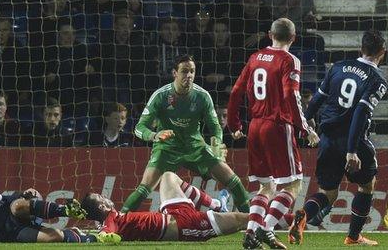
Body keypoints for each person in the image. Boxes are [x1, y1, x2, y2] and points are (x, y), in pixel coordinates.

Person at [289, 30, 388, 246]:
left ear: (360, 49)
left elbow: (316, 100)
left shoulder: (339, 66)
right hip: (353, 141)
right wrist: (352, 150)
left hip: (328, 139)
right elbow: (360, 114)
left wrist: (304, 125)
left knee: (328, 193)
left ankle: (303, 215)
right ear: (383, 52)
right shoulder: (377, 79)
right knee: (367, 184)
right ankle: (353, 236)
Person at [227, 18, 319, 249]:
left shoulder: (255, 57)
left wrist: (234, 124)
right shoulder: (290, 60)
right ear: (293, 38)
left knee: (265, 187)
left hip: (255, 127)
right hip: (277, 127)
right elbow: (291, 96)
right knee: (293, 185)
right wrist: (305, 128)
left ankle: (250, 233)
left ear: (270, 35)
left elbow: (236, 91)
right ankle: (264, 228)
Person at [121, 54, 251, 214]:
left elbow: (215, 127)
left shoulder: (202, 96)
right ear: (175, 73)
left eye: (192, 71)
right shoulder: (161, 96)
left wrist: (216, 143)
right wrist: (155, 135)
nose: (189, 75)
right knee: (144, 189)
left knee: (234, 181)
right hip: (167, 148)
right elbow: (139, 128)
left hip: (195, 147)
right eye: (184, 71)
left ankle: (253, 223)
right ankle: (118, 220)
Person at [0, 155, 108, 244]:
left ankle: (65, 210)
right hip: (6, 232)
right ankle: (81, 236)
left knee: (17, 205)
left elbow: (4, 199)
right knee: (54, 237)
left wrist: (22, 194)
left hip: (13, 213)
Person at [81, 171, 248, 241]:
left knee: (168, 176)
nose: (104, 197)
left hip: (173, 212)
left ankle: (217, 204)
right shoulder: (110, 219)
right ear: (102, 207)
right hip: (186, 225)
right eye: (101, 197)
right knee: (246, 219)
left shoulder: (115, 217)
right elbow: (106, 232)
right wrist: (103, 236)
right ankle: (270, 213)